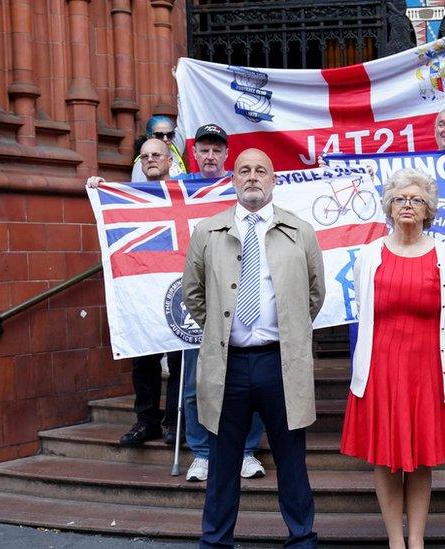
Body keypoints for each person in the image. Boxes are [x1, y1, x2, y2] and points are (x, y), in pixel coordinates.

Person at [183, 148, 325, 548]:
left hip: (280, 362)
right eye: (243, 170)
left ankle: (301, 539)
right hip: (227, 365)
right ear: (232, 179)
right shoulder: (207, 232)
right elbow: (194, 295)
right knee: (223, 461)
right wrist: (222, 329)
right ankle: (215, 541)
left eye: (261, 170)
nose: (252, 177)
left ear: (274, 179)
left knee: (291, 461)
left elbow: (314, 294)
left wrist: (289, 328)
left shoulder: (300, 232)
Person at [341, 168, 445, 548]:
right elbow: (365, 312)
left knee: (421, 458)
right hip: (380, 368)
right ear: (389, 208)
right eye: (400, 199)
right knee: (384, 458)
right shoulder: (369, 255)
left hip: (426, 369)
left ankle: (417, 540)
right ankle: (396, 541)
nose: (408, 206)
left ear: (429, 208)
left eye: (416, 199)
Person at [174, 123, 268, 483]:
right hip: (207, 306)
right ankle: (201, 453)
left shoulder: (243, 184)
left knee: (251, 384)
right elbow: (141, 191)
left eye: (217, 150)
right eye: (204, 149)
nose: (211, 155)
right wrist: (101, 187)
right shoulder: (176, 188)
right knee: (198, 384)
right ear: (193, 154)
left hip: (248, 302)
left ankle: (245, 451)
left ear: (226, 155)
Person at [87, 139, 183, 447]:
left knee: (180, 359)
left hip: (177, 286)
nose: (151, 160)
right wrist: (100, 187)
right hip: (143, 286)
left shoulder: (184, 192)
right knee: (144, 358)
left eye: (157, 155)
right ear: (140, 164)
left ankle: (173, 422)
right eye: (145, 157)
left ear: (170, 160)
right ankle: (146, 421)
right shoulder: (131, 195)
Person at [131, 115, 186, 181]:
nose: (165, 139)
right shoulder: (143, 162)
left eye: (170, 135)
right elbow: (139, 189)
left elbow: (184, 124)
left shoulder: (174, 147)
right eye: (159, 135)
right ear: (149, 137)